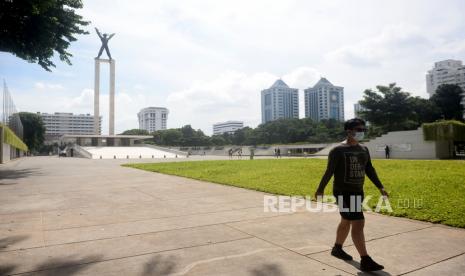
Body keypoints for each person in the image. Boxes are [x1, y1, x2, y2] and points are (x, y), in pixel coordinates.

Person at [314, 118, 388, 272]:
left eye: (363, 130)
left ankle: (337, 248)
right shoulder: (338, 150)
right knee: (358, 222)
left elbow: (369, 169)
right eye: (358, 129)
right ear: (349, 131)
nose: (361, 132)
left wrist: (380, 187)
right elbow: (330, 171)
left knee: (346, 220)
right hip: (343, 192)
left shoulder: (363, 149)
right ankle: (365, 259)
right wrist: (320, 189)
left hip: (357, 191)